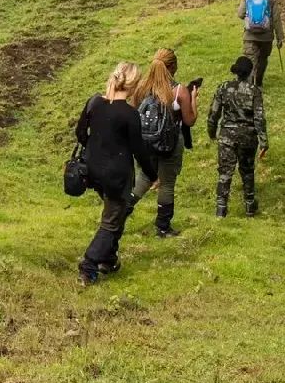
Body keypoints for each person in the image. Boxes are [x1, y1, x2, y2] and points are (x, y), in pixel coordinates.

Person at [75, 62, 157, 286]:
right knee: (112, 220)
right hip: (116, 175)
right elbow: (139, 150)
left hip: (92, 170)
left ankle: (108, 259)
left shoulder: (95, 102)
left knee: (117, 212)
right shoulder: (130, 115)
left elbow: (80, 132)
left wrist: (94, 148)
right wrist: (152, 174)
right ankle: (89, 264)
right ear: (134, 84)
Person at [127, 48, 198, 238]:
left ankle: (120, 212)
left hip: (145, 142)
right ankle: (163, 227)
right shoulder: (178, 91)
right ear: (172, 67)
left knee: (144, 177)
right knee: (167, 184)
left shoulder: (142, 88)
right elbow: (189, 120)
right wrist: (194, 101)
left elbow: (133, 112)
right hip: (170, 143)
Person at [207, 55, 268, 217]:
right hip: (248, 138)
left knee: (225, 172)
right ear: (249, 73)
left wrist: (211, 132)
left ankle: (221, 208)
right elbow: (259, 118)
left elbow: (214, 113)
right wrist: (264, 141)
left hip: (227, 136)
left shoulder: (223, 88)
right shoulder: (255, 92)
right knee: (247, 171)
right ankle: (249, 205)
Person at [237, 0, 285, 87]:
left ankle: (248, 86)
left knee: (250, 60)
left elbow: (240, 14)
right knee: (262, 59)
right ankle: (258, 84)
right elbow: (276, 19)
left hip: (249, 35)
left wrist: (250, 19)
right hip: (266, 37)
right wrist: (280, 37)